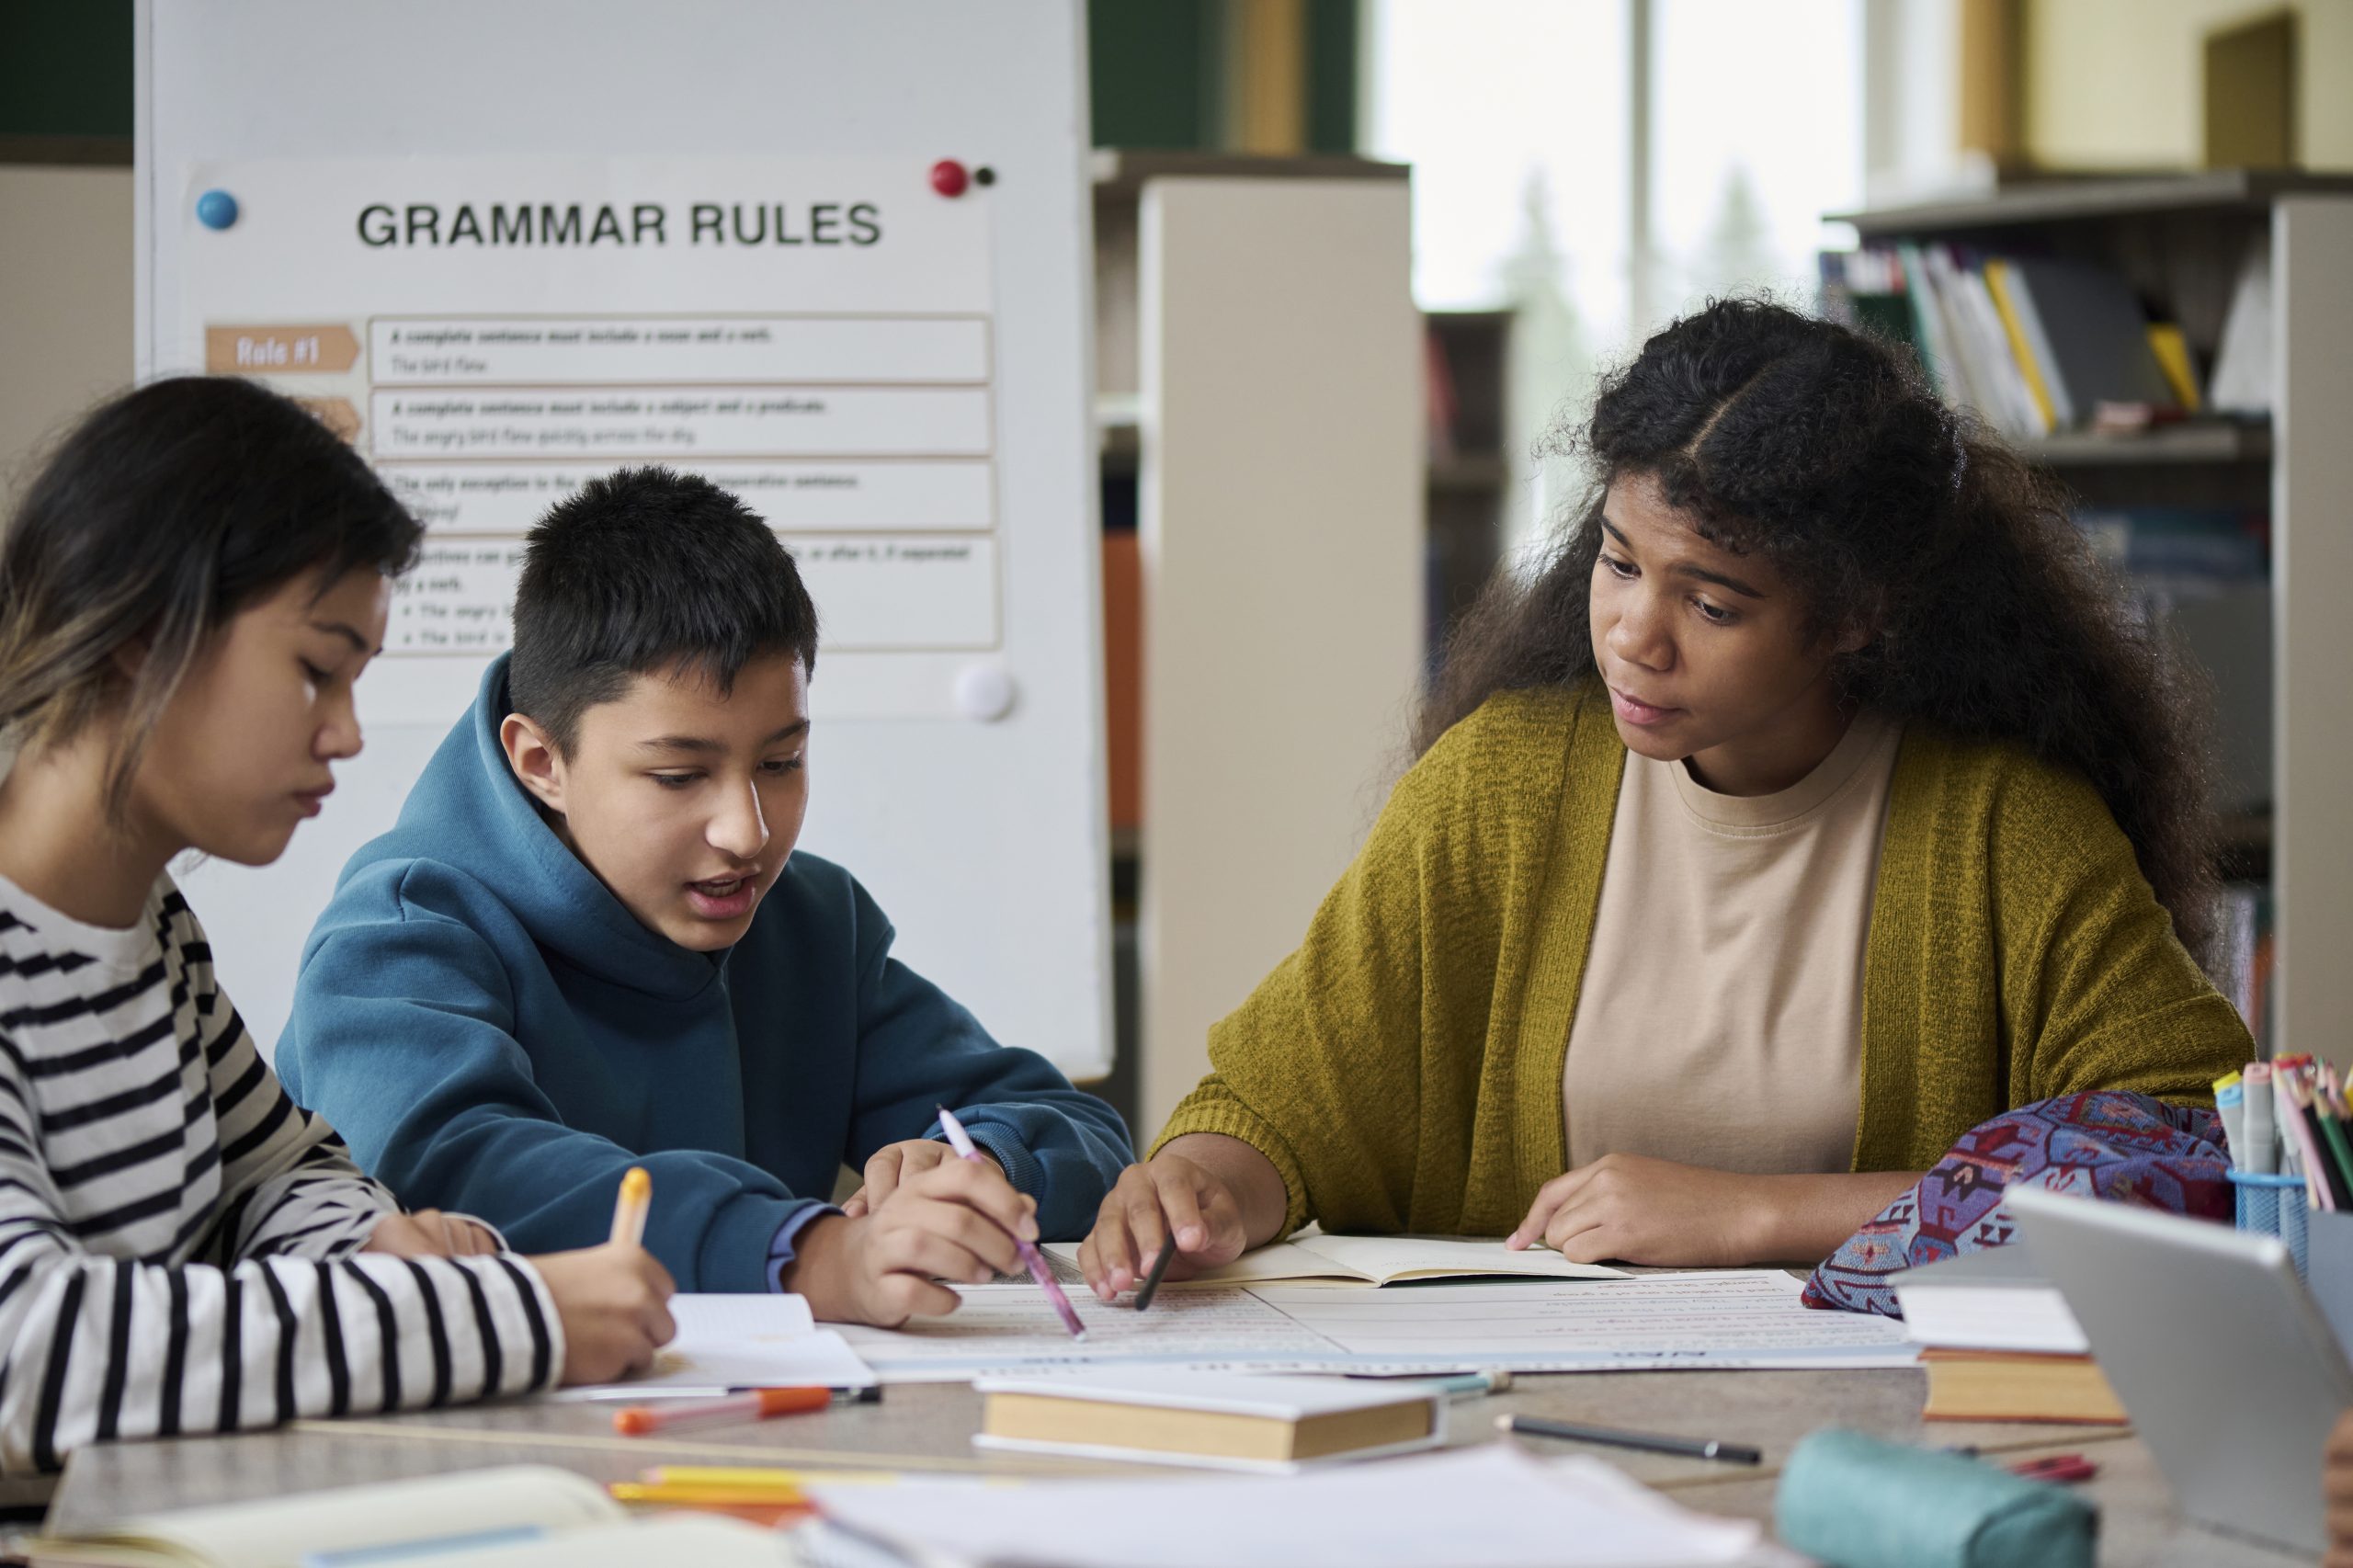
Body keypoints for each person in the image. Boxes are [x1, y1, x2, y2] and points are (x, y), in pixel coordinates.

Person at [1076, 298, 2252, 1300]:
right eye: (1618, 560)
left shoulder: (2003, 828)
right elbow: (1282, 1100)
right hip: (1521, 1417)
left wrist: (1755, 1213)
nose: (1634, 635)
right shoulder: (1500, 784)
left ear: (1858, 616)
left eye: (1712, 603)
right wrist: (1200, 1187)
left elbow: (2194, 1155)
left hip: (1874, 1415)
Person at [0, 379, 674, 1483]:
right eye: (317, 670)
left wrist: (365, 1242)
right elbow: (32, 1353)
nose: (346, 734)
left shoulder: (147, 921)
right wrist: (505, 1317)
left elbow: (277, 1163)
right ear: (142, 632)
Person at [278, 467, 1131, 1325]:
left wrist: (982, 1165)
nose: (746, 832)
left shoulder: (809, 925)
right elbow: (445, 1171)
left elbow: (1074, 1127)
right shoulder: (402, 931)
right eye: (679, 775)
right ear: (541, 763)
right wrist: (803, 1253)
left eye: (780, 762)